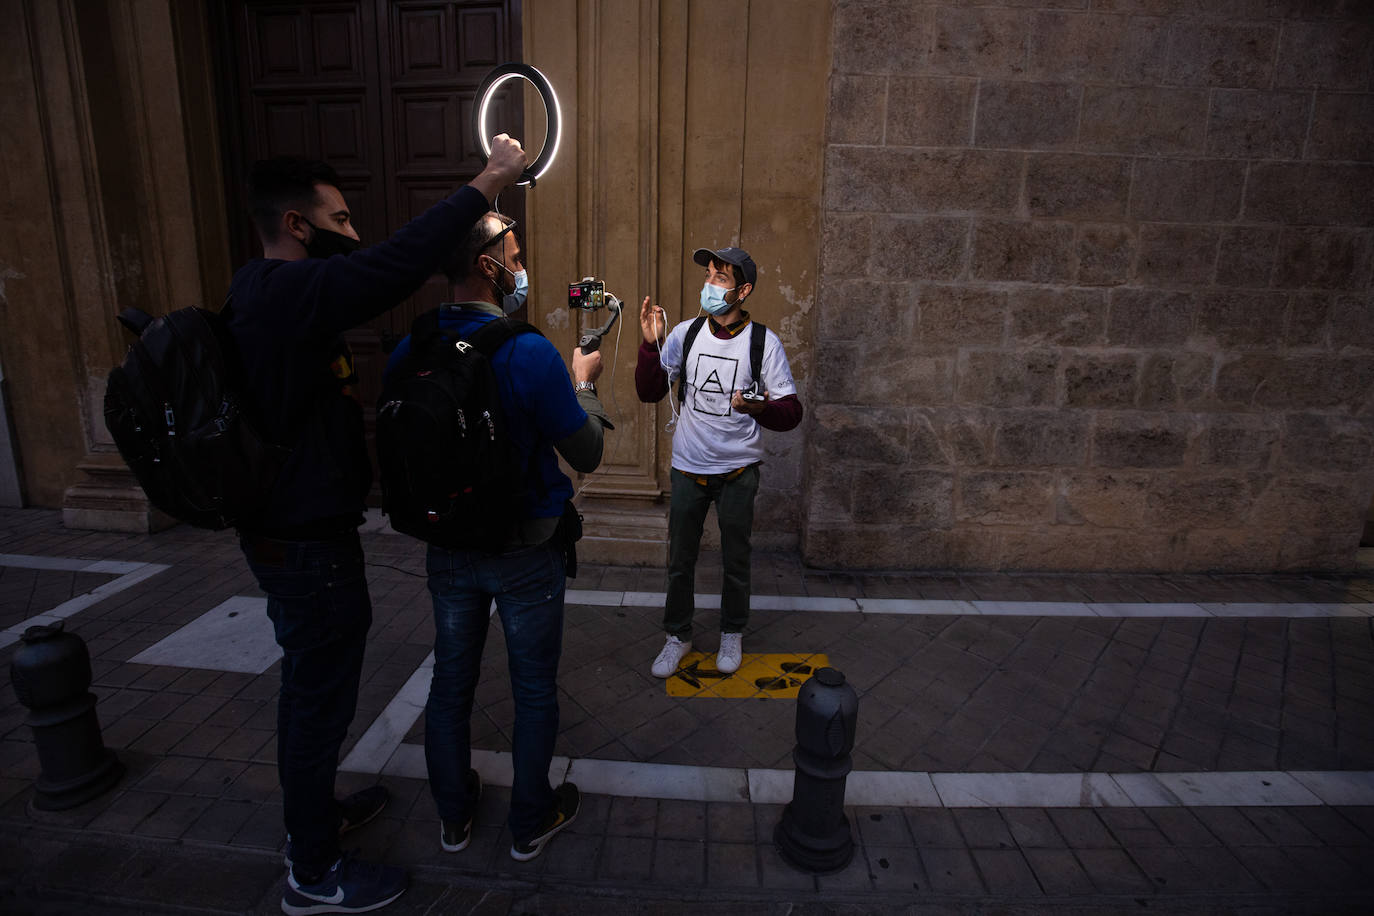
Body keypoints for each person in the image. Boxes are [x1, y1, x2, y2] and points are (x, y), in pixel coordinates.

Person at [228, 136, 527, 915]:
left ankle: (315, 816)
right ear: (297, 224)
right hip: (300, 542)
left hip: (301, 533)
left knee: (316, 688)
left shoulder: (270, 295)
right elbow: (392, 267)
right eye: (341, 218)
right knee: (316, 698)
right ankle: (314, 871)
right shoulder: (282, 291)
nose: (353, 232)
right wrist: (487, 182)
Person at [384, 212, 610, 862]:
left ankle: (454, 818)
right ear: (488, 265)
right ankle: (529, 820)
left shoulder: (410, 347)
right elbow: (588, 452)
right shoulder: (528, 351)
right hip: (526, 550)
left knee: (450, 682)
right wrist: (584, 385)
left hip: (449, 548)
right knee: (533, 687)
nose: (521, 265)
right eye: (515, 253)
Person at [635, 246, 803, 678]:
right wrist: (650, 347)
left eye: (720, 279)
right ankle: (678, 635)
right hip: (689, 467)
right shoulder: (687, 334)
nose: (709, 285)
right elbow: (650, 391)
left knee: (736, 559)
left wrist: (758, 407)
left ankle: (732, 631)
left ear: (742, 290)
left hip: (738, 472)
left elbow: (791, 413)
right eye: (709, 275)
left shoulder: (763, 343)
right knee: (680, 561)